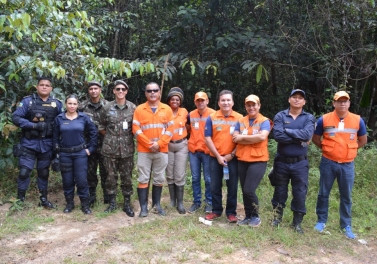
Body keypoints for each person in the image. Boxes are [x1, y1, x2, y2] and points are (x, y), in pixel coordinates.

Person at [312, 91, 367, 239]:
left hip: (347, 164)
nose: (342, 103)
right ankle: (321, 221)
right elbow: (316, 138)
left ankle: (346, 225)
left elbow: (362, 140)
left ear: (349, 103)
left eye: (345, 101)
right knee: (323, 193)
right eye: (339, 101)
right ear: (334, 103)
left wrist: (351, 150)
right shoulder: (324, 119)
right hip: (328, 162)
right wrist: (327, 149)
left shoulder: (358, 120)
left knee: (346, 196)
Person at [12, 76, 63, 208]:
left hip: (47, 144)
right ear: (37, 86)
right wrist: (32, 125)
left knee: (44, 172)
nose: (44, 87)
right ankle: (20, 201)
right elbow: (16, 117)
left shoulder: (56, 104)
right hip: (29, 142)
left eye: (47, 85)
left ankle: (44, 200)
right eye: (42, 85)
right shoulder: (28, 101)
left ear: (51, 88)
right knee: (24, 172)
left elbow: (62, 121)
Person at [270, 89, 315, 234]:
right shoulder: (280, 116)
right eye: (294, 97)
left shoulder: (308, 117)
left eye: (300, 98)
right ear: (289, 99)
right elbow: (277, 135)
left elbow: (307, 134)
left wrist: (287, 130)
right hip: (282, 161)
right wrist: (299, 138)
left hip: (300, 163)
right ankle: (277, 218)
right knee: (279, 191)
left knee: (300, 192)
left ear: (304, 102)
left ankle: (297, 223)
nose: (297, 100)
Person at [132, 82, 174, 217]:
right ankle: (143, 207)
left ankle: (157, 205)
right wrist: (149, 144)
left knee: (159, 177)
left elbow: (170, 129)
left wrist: (160, 144)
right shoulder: (139, 109)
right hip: (145, 150)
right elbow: (136, 130)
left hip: (161, 150)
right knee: (143, 178)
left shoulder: (166, 109)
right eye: (149, 91)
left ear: (159, 92)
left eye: (155, 90)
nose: (152, 93)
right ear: (146, 93)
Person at [53, 94, 97, 214]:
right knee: (67, 181)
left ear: (78, 105)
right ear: (65, 104)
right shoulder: (59, 118)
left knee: (82, 180)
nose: (72, 106)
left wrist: (90, 149)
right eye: (69, 103)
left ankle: (85, 205)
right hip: (65, 154)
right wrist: (57, 152)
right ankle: (69, 204)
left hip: (80, 154)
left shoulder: (83, 118)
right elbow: (55, 137)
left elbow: (93, 133)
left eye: (74, 104)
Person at [232, 95, 272, 227]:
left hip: (258, 160)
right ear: (245, 107)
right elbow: (235, 138)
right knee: (244, 190)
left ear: (259, 106)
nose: (251, 107)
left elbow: (262, 137)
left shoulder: (265, 121)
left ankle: (255, 216)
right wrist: (251, 138)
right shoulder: (241, 121)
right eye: (248, 105)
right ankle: (247, 216)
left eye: (254, 104)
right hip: (242, 158)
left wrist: (243, 138)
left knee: (249, 189)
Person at [98, 80, 136, 217]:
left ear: (126, 91)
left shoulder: (133, 108)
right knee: (110, 177)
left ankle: (127, 203)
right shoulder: (107, 107)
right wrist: (112, 138)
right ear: (114, 91)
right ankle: (112, 202)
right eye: (118, 89)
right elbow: (101, 127)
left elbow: (136, 127)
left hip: (127, 149)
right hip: (109, 149)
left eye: (123, 89)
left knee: (127, 177)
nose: (120, 91)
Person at [204, 90, 242, 223]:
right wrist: (218, 156)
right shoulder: (212, 117)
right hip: (215, 158)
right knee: (214, 185)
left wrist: (231, 155)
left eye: (228, 100)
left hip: (232, 158)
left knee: (232, 186)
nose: (226, 102)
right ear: (219, 102)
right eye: (223, 100)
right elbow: (207, 138)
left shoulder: (240, 118)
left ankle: (231, 212)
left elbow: (242, 139)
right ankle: (216, 210)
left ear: (232, 102)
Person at [78, 81, 109, 206]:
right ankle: (92, 196)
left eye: (96, 88)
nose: (93, 91)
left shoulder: (108, 105)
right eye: (91, 89)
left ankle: (107, 196)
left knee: (106, 171)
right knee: (90, 172)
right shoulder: (82, 106)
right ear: (88, 91)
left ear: (100, 90)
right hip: (88, 144)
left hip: (105, 144)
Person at [187, 92, 215, 214]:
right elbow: (187, 129)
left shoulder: (214, 114)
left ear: (207, 101)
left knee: (208, 179)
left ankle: (209, 202)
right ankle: (196, 202)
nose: (200, 102)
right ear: (195, 102)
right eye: (198, 100)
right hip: (193, 151)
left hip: (207, 152)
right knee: (195, 178)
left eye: (202, 100)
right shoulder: (191, 115)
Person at [166, 87, 188, 214]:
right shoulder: (164, 111)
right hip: (167, 145)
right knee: (169, 174)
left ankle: (180, 203)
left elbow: (189, 126)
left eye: (177, 99)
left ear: (180, 101)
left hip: (181, 146)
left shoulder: (184, 112)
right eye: (173, 99)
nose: (175, 101)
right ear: (169, 100)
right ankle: (172, 200)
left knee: (179, 174)